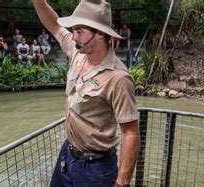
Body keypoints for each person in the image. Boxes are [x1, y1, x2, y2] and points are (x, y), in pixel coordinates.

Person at [32, 0, 140, 186]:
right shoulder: (79, 54)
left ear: (99, 34)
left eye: (79, 32)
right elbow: (55, 26)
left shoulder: (118, 78)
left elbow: (131, 133)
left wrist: (122, 182)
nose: (73, 37)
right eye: (73, 31)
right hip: (68, 155)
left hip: (96, 170)